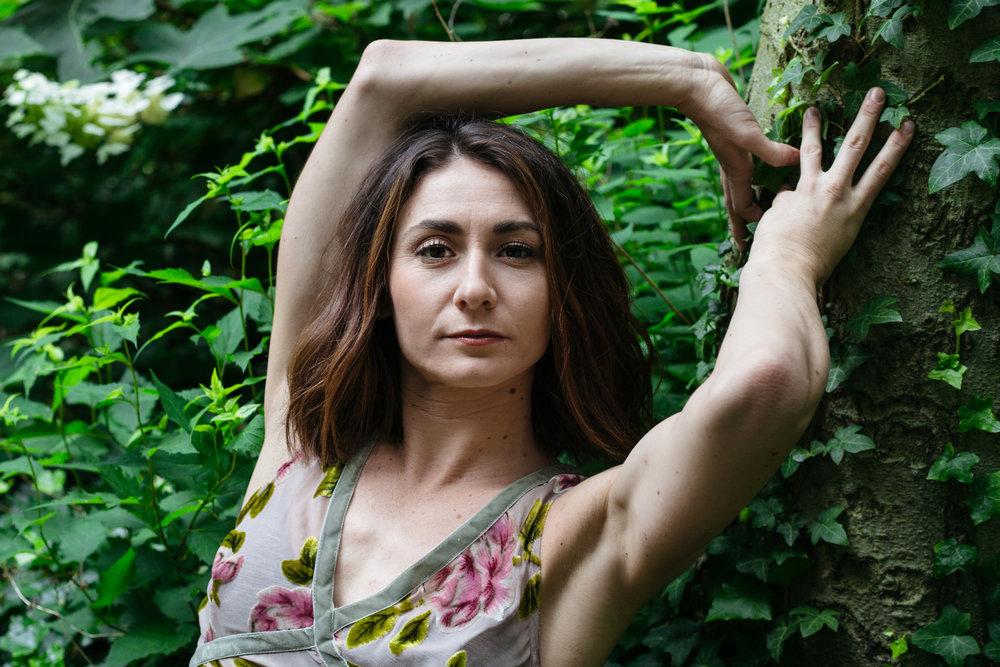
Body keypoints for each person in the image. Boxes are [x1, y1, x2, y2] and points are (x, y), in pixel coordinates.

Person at [190, 38, 914, 666]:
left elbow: (767, 379)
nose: (474, 287)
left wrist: (788, 252)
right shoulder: (302, 432)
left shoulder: (569, 537)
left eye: (516, 251)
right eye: (435, 249)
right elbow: (384, 80)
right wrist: (684, 80)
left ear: (562, 289)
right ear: (381, 284)